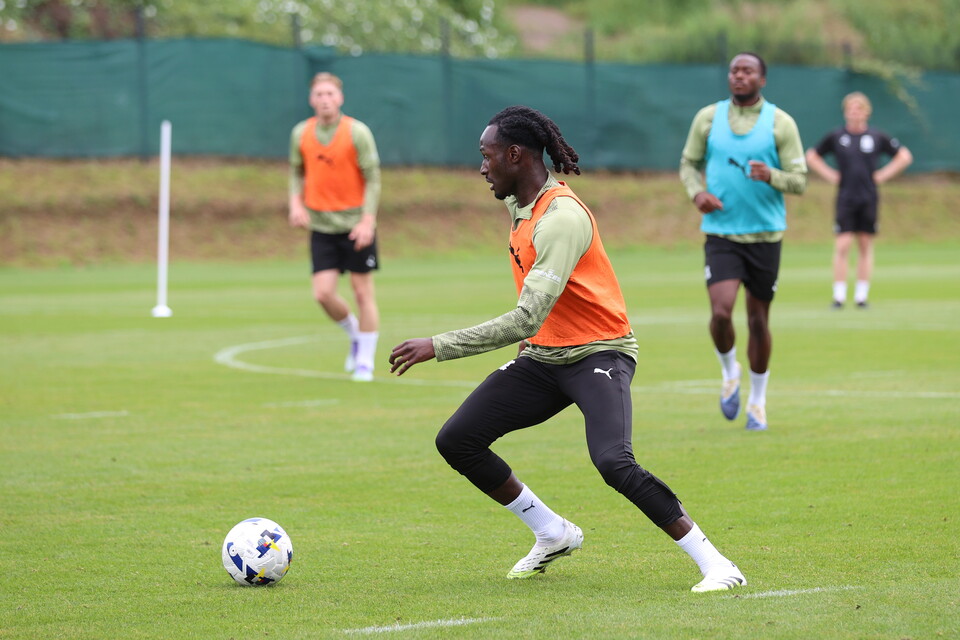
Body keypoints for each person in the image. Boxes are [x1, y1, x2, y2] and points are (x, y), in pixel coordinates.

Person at [389, 105, 746, 593]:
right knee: (457, 440)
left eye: (486, 156)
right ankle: (551, 531)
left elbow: (525, 317)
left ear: (515, 155)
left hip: (599, 354)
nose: (481, 167)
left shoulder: (561, 218)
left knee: (613, 462)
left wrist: (438, 345)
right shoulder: (521, 204)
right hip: (544, 357)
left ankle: (717, 564)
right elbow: (538, 321)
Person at [679, 52, 807, 432]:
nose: (739, 76)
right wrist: (696, 193)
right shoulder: (707, 118)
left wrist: (772, 176)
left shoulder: (780, 123)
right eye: (734, 70)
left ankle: (757, 401)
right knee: (721, 313)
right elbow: (688, 163)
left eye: (747, 71)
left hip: (766, 235)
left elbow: (800, 180)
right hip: (721, 234)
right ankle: (729, 371)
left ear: (762, 79)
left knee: (758, 321)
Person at [289, 72, 382, 381]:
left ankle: (365, 362)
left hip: (356, 225)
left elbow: (373, 179)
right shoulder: (301, 133)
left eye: (330, 94)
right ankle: (355, 335)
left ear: (340, 98)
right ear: (311, 99)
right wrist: (295, 203)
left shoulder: (357, 132)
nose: (325, 99)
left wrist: (368, 220)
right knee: (323, 294)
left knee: (362, 292)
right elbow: (296, 171)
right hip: (322, 225)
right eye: (319, 94)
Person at [805, 92, 913, 309]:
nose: (855, 113)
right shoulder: (837, 137)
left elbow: (904, 156)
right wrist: (830, 175)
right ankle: (839, 296)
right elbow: (812, 156)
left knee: (865, 245)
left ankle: (861, 297)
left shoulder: (876, 137)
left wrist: (882, 175)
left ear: (866, 112)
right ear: (845, 112)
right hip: (845, 197)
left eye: (859, 108)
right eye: (851, 109)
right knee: (843, 245)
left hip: (868, 197)